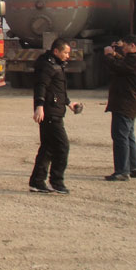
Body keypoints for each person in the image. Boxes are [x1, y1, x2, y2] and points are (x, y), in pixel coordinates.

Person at [28, 38, 81, 195]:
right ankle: (56, 182)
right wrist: (39, 107)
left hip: (54, 109)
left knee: (48, 148)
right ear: (56, 51)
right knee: (62, 147)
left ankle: (37, 182)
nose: (67, 56)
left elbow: (57, 89)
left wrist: (69, 103)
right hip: (50, 113)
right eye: (65, 52)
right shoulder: (48, 65)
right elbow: (41, 86)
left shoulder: (56, 64)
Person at [102, 35, 136, 181]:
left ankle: (122, 171)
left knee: (120, 136)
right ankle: (133, 168)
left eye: (125, 46)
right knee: (128, 135)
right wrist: (115, 54)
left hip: (125, 103)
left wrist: (109, 55)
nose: (123, 49)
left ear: (133, 45)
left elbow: (117, 67)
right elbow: (123, 63)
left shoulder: (135, 61)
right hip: (130, 103)